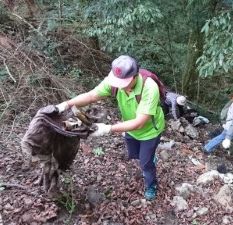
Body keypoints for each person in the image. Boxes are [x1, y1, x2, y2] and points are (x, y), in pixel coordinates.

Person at [55, 55, 165, 200]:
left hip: (149, 131)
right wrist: (67, 104)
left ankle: (151, 185)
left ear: (135, 76)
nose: (120, 85)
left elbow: (140, 122)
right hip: (129, 128)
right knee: (135, 154)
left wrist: (109, 129)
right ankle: (148, 158)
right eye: (118, 82)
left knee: (145, 164)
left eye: (124, 82)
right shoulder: (114, 80)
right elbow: (92, 95)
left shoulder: (149, 87)